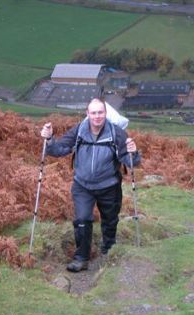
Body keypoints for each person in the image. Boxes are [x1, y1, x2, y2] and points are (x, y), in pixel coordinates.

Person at [40, 98, 141, 272]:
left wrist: (133, 153)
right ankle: (81, 258)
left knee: (110, 221)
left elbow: (130, 161)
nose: (97, 116)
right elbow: (59, 149)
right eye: (93, 113)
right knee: (82, 220)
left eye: (100, 112)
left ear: (105, 113)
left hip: (110, 186)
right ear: (87, 114)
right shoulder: (79, 130)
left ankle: (109, 250)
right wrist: (49, 140)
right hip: (82, 186)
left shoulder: (116, 133)